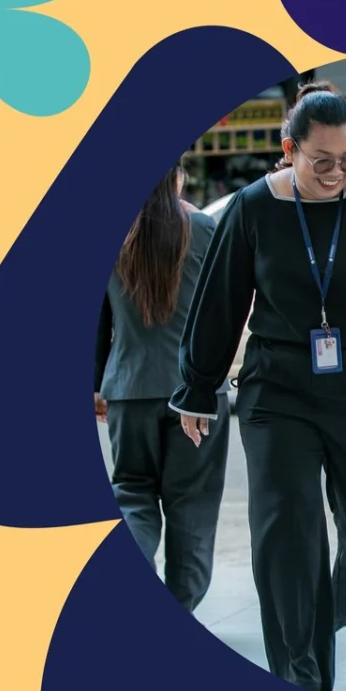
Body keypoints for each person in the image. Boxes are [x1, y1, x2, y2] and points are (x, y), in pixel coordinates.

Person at [169, 82, 346, 691]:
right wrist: (199, 387)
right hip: (276, 386)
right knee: (286, 534)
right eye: (322, 161)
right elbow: (220, 304)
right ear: (289, 150)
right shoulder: (252, 209)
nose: (337, 174)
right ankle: (301, 677)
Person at [94, 166, 229, 611]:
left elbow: (97, 320)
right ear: (177, 178)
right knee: (193, 505)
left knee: (132, 496)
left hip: (128, 388)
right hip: (196, 393)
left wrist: (95, 383)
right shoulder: (204, 229)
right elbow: (226, 312)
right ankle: (178, 611)